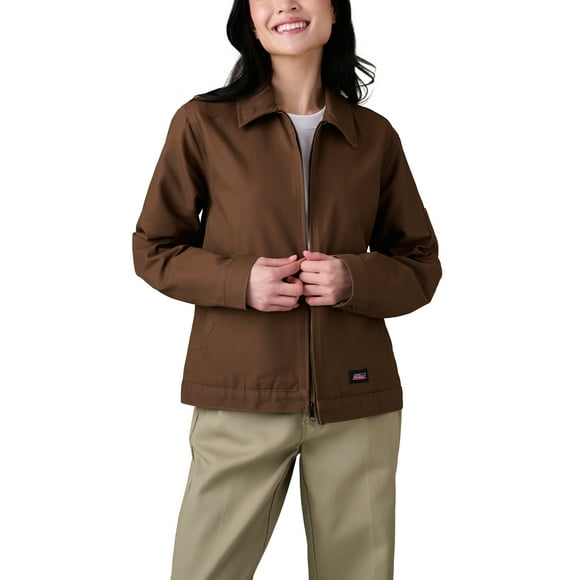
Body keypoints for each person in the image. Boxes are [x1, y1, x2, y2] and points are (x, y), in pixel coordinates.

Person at [132, 0, 442, 578]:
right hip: (240, 393)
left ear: (334, 12)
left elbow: (420, 263)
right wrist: (239, 280)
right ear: (249, 19)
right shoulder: (203, 123)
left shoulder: (374, 136)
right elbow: (154, 247)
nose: (286, 4)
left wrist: (354, 278)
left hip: (357, 400)